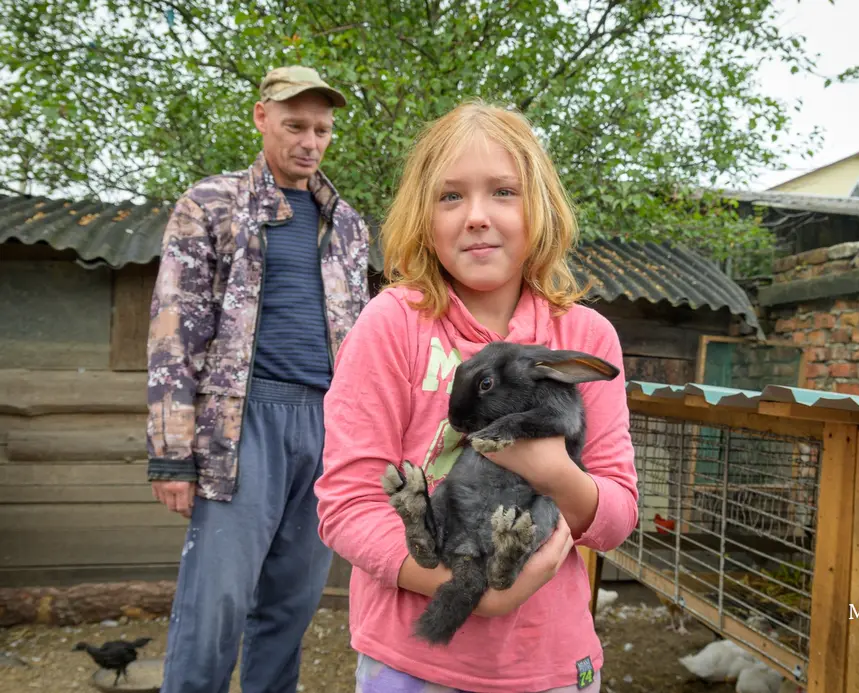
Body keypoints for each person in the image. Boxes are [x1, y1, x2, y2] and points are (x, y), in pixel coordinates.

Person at [314, 100, 639, 693]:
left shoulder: (586, 338)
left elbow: (616, 514)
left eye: (504, 192)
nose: (477, 217)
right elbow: (347, 505)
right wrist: (473, 595)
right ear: (423, 213)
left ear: (538, 205)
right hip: (414, 665)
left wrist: (557, 475)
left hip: (548, 667)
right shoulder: (391, 325)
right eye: (450, 196)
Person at [145, 65, 371, 693]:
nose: (310, 140)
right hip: (239, 427)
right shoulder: (210, 204)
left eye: (322, 129)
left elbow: (360, 344)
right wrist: (171, 457)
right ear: (261, 117)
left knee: (293, 602)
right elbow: (173, 332)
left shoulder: (347, 224)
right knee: (215, 603)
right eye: (296, 125)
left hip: (325, 429)